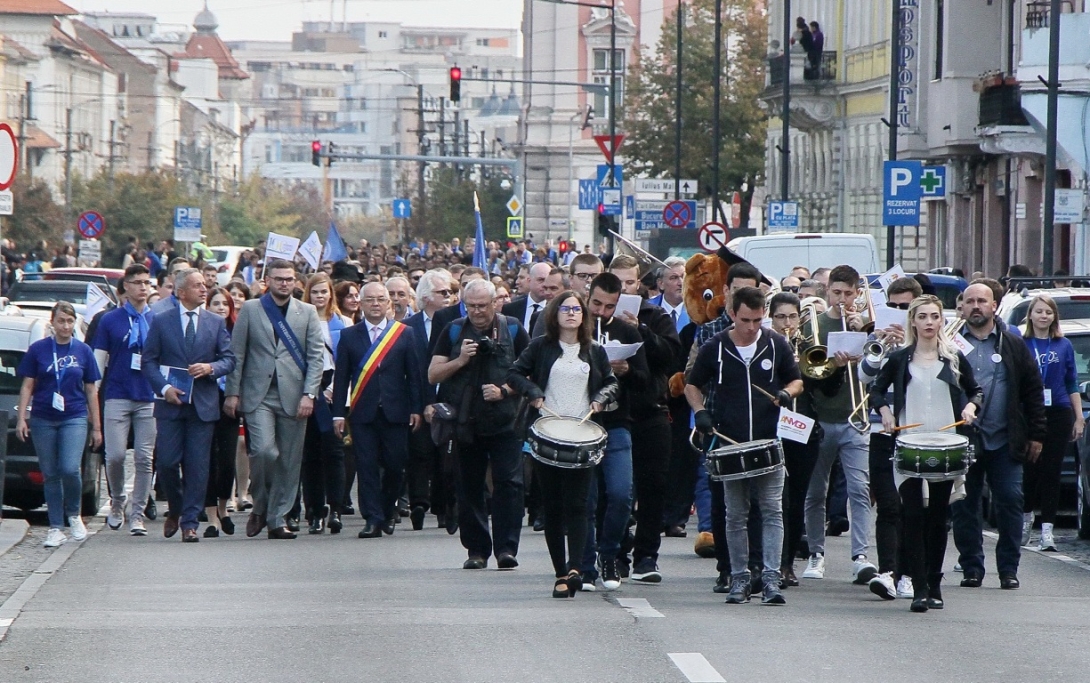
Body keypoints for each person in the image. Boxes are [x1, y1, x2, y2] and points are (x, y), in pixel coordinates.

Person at [685, 286, 803, 604]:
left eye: (757, 320)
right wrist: (700, 413)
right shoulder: (717, 346)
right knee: (736, 514)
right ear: (733, 314)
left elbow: (796, 379)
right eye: (746, 320)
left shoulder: (775, 343)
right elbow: (692, 384)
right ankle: (738, 578)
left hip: (767, 440)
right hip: (730, 443)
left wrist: (786, 394)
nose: (752, 328)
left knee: (772, 512)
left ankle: (770, 578)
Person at [870, 295, 982, 612]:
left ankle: (934, 584)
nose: (930, 322)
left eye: (935, 316)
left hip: (945, 445)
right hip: (909, 444)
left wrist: (971, 406)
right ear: (914, 322)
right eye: (923, 317)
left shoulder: (953, 358)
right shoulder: (900, 358)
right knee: (913, 515)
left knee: (936, 519)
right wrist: (886, 413)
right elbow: (876, 389)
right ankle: (918, 587)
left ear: (941, 321)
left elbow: (976, 390)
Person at [508, 290, 618, 597]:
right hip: (547, 432)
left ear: (584, 316)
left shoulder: (593, 350)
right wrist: (533, 393)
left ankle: (576, 568)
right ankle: (560, 573)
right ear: (555, 314)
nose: (571, 313)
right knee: (553, 506)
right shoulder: (541, 346)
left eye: (576, 309)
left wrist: (600, 399)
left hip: (582, 435)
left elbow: (611, 382)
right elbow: (514, 372)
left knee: (579, 505)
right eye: (565, 309)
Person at [951, 280, 1046, 590]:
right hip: (963, 437)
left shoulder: (1012, 343)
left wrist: (1036, 433)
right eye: (970, 301)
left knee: (1009, 501)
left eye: (982, 301)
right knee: (966, 506)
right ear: (962, 306)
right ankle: (972, 568)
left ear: (994, 306)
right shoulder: (950, 343)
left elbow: (1032, 390)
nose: (976, 306)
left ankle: (1008, 568)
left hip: (1004, 438)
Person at [429, 279, 530, 570]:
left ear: (495, 303)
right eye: (471, 306)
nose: (477, 312)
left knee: (509, 485)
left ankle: (506, 549)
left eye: (482, 306)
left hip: (505, 422)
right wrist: (460, 360)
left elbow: (532, 374)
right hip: (464, 422)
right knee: (468, 486)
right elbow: (433, 375)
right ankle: (476, 549)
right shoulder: (453, 330)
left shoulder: (511, 328)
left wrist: (505, 390)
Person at [225, 259, 325, 540]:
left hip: (294, 396)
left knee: (289, 461)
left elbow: (316, 357)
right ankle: (260, 504)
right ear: (268, 280)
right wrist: (232, 393)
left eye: (289, 279)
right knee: (265, 452)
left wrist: (309, 394)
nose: (284, 283)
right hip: (259, 394)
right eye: (279, 278)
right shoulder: (253, 309)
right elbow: (238, 353)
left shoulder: (307, 312)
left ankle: (277, 518)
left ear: (295, 281)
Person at [798, 265, 878, 585]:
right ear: (827, 291)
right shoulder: (814, 326)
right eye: (836, 293)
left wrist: (868, 336)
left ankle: (860, 556)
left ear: (857, 293)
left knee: (859, 490)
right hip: (820, 420)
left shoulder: (867, 326)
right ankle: (816, 553)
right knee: (816, 492)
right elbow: (808, 373)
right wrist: (834, 363)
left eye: (849, 293)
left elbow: (881, 364)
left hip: (856, 419)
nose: (842, 299)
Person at [142, 269, 236, 542]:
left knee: (198, 466)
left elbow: (229, 359)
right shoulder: (161, 321)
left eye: (204, 285)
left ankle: (190, 523)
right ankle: (176, 507)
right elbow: (149, 360)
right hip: (171, 404)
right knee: (169, 463)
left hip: (203, 404)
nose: (204, 289)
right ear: (180, 292)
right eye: (197, 286)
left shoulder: (214, 323)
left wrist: (210, 367)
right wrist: (164, 387)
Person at [608, 254, 682, 583]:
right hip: (611, 412)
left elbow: (670, 356)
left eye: (629, 282)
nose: (624, 289)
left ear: (638, 284)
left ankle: (647, 557)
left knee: (653, 487)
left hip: (651, 410)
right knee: (618, 491)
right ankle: (617, 552)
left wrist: (640, 330)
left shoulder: (656, 315)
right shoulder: (598, 316)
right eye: (617, 282)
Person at [332, 283, 423, 538]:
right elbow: (341, 378)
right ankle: (372, 518)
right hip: (363, 412)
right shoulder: (350, 336)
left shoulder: (404, 333)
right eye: (369, 299)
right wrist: (338, 413)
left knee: (395, 465)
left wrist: (416, 408)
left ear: (388, 304)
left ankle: (387, 508)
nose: (375, 304)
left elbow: (414, 375)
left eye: (380, 299)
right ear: (360, 304)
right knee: (367, 465)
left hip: (396, 411)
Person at [579, 273, 649, 590]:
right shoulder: (574, 326)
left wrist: (627, 369)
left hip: (617, 421)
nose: (602, 312)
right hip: (581, 423)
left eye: (609, 306)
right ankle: (584, 564)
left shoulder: (624, 329)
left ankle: (609, 555)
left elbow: (646, 378)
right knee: (588, 498)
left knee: (621, 495)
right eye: (596, 303)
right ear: (587, 296)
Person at [16, 302, 102, 548]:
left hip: (73, 416)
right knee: (50, 472)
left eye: (69, 321)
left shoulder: (83, 351)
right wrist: (22, 417)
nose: (65, 326)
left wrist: (96, 425)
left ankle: (74, 514)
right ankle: (55, 526)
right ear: (52, 323)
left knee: (69, 467)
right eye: (61, 321)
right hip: (44, 416)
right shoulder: (38, 350)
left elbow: (91, 389)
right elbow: (28, 385)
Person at [858, 276, 922, 600]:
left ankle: (908, 573)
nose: (897, 312)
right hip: (881, 432)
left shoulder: (926, 342)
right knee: (887, 504)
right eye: (892, 306)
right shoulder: (877, 337)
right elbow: (865, 377)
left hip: (916, 432)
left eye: (904, 307)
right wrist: (880, 347)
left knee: (910, 506)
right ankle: (887, 572)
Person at [92, 264, 157, 537]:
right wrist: (92, 394)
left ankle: (138, 512)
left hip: (148, 396)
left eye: (146, 282)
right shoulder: (110, 320)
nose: (143, 287)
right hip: (117, 393)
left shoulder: (157, 319)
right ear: (126, 287)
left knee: (144, 458)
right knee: (116, 455)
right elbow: (99, 362)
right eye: (137, 282)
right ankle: (117, 500)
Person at [1020, 294, 1083, 551]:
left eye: (1048, 312)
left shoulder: (1063, 344)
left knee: (1052, 471)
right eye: (1039, 311)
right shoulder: (1022, 343)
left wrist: (1078, 416)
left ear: (1054, 316)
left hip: (1058, 409)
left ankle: (1048, 529)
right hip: (1030, 411)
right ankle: (1025, 518)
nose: (1044, 316)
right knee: (1029, 469)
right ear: (1031, 316)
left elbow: (1072, 382)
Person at [767, 291, 821, 587]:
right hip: (772, 428)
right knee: (776, 499)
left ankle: (787, 563)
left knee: (796, 498)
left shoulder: (810, 348)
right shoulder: (766, 346)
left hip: (803, 430)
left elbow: (823, 387)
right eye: (780, 317)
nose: (786, 323)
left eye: (791, 316)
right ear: (771, 318)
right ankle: (770, 561)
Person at [301, 273, 350, 535]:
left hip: (334, 388)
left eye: (324, 292)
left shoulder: (342, 322)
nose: (320, 296)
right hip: (308, 389)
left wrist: (335, 390)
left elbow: (347, 362)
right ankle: (314, 511)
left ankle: (336, 508)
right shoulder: (298, 320)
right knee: (310, 454)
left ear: (331, 294)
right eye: (316, 292)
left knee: (334, 451)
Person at [405, 270, 454, 530]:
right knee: (419, 455)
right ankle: (418, 504)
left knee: (445, 458)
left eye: (450, 292)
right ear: (425, 297)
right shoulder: (408, 327)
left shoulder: (456, 323)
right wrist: (420, 404)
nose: (448, 297)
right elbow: (410, 370)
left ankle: (443, 507)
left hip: (449, 401)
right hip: (418, 400)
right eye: (442, 292)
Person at [201, 287, 240, 537]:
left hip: (231, 400)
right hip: (206, 398)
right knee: (207, 459)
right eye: (216, 303)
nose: (221, 308)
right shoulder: (203, 331)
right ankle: (212, 516)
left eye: (225, 303)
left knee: (226, 460)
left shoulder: (237, 332)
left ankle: (225, 507)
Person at [503, 262, 562, 333]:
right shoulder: (510, 309)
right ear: (529, 281)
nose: (545, 285)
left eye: (547, 280)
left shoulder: (557, 309)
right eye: (541, 280)